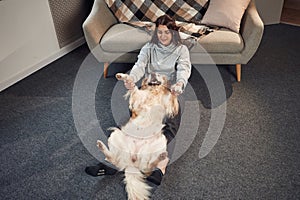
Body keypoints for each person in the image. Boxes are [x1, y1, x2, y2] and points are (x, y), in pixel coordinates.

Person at [85, 14, 192, 186]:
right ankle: (110, 163)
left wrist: (179, 84)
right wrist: (131, 79)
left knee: (168, 125)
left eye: (166, 32)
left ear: (173, 33)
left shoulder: (181, 50)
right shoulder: (149, 48)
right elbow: (139, 66)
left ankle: (159, 167)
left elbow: (184, 69)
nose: (163, 36)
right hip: (148, 88)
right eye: (159, 33)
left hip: (170, 90)